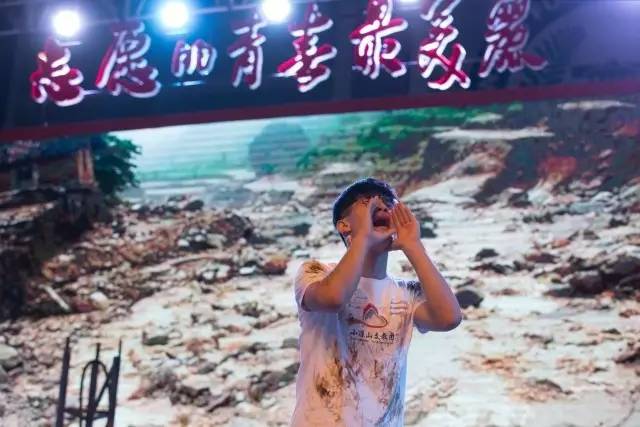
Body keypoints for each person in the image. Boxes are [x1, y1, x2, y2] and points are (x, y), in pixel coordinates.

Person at [290, 177, 462, 426]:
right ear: (344, 226)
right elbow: (334, 298)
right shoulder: (317, 272)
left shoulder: (406, 292)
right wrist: (362, 237)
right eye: (367, 201)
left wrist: (413, 245)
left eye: (389, 203)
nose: (381, 205)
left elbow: (449, 319)